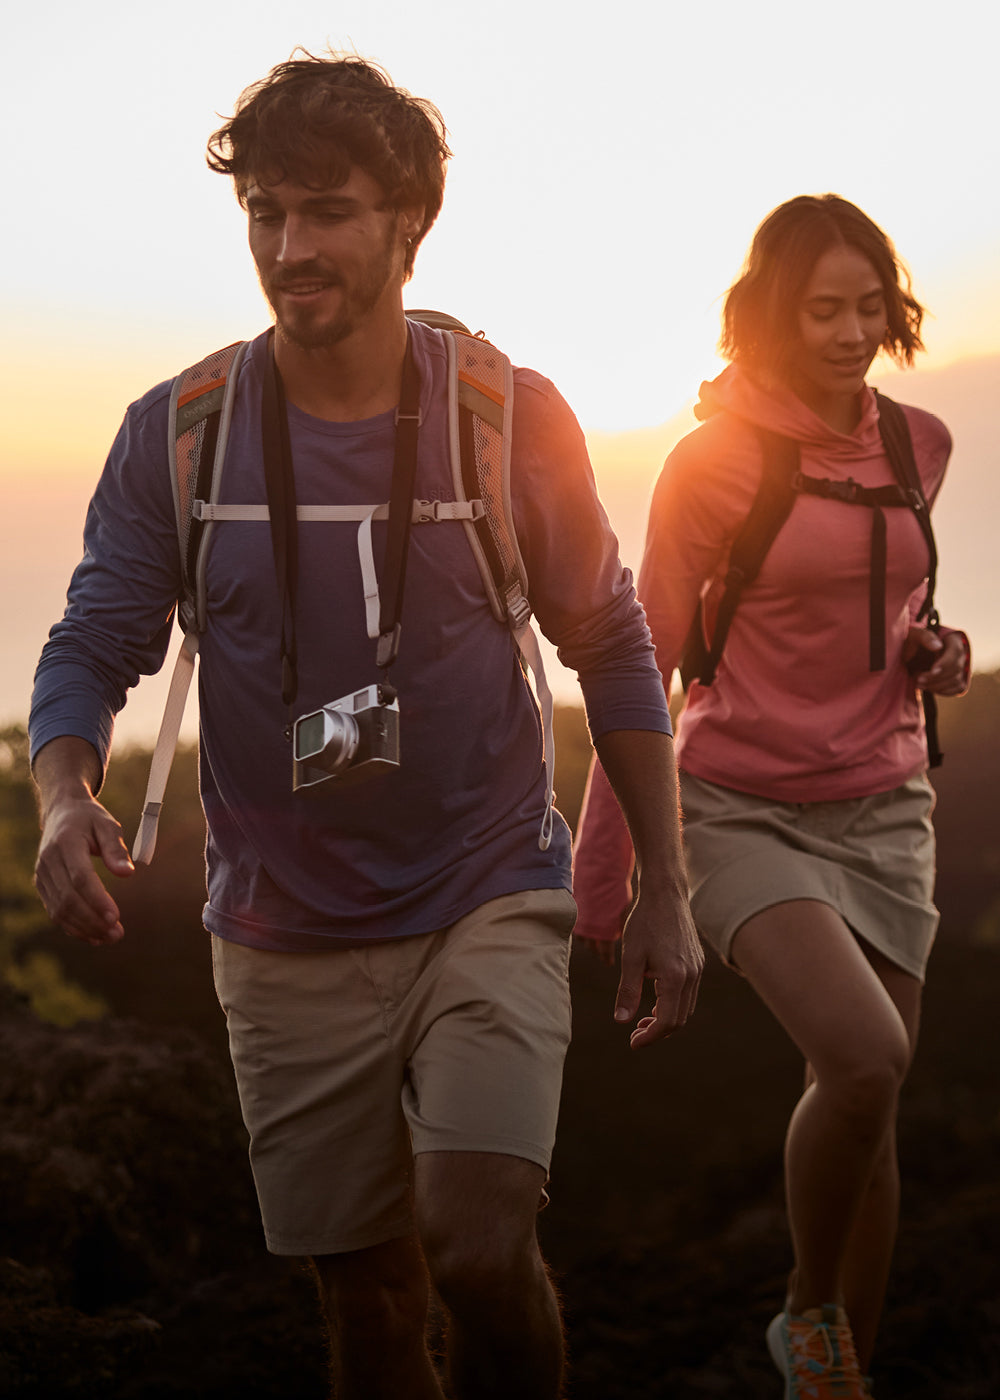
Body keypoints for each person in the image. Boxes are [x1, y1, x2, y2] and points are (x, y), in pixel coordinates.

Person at [29, 52, 702, 1400]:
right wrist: (60, 794)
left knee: (475, 1248)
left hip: (487, 887)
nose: (289, 247)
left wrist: (667, 890)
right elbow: (93, 639)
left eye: (326, 210)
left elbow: (613, 645)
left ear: (409, 221)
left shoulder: (504, 418)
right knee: (371, 1307)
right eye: (266, 212)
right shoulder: (180, 433)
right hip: (278, 926)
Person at [573, 194, 970, 1398]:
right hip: (737, 802)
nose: (852, 332)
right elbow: (638, 657)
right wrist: (615, 874)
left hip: (887, 802)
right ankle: (805, 1314)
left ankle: (843, 1372)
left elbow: (885, 601)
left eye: (868, 306)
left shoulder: (918, 444)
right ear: (770, 316)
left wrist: (930, 649)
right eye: (823, 309)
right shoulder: (715, 462)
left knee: (873, 1099)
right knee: (862, 1057)